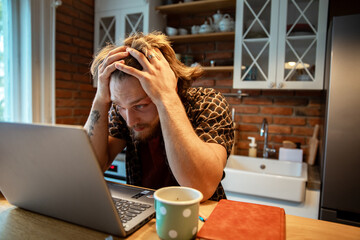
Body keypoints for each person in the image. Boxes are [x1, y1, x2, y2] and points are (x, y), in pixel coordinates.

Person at [84, 32, 234, 201]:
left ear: (171, 84)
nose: (130, 120)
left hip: (200, 218)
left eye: (141, 105)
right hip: (144, 217)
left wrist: (166, 97)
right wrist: (101, 99)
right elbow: (89, 169)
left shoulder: (207, 103)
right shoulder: (125, 110)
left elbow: (201, 188)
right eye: (119, 107)